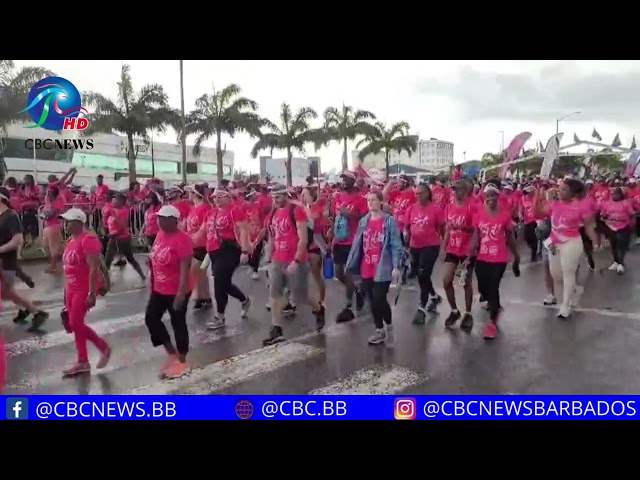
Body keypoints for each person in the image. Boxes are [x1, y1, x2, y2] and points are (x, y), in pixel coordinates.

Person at [262, 184, 326, 346]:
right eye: (273, 197)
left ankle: (319, 309)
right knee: (275, 294)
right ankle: (276, 328)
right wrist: (268, 259)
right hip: (278, 259)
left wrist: (296, 260)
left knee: (300, 296)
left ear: (285, 195)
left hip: (295, 260)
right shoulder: (272, 214)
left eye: (278, 197)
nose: (275, 200)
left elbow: (303, 238)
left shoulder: (296, 211)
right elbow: (271, 237)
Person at [345, 191, 402, 345]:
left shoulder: (389, 221)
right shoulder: (364, 221)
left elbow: (396, 245)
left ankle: (385, 326)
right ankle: (380, 328)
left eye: (373, 199)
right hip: (366, 265)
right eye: (368, 200)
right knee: (371, 299)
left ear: (381, 201)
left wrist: (396, 265)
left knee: (379, 297)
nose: (370, 202)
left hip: (382, 266)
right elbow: (358, 242)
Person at [60, 208, 111, 377]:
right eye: (65, 221)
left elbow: (93, 268)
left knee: (76, 323)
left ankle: (102, 348)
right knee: (76, 325)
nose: (65, 224)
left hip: (84, 288)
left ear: (78, 223)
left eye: (68, 221)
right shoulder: (70, 241)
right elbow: (68, 268)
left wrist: (91, 292)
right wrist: (65, 291)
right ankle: (82, 361)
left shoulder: (88, 240)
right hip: (71, 289)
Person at [535, 178, 596, 319]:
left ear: (573, 193)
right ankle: (574, 289)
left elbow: (588, 225)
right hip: (554, 242)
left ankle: (565, 305)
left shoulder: (580, 206)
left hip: (571, 242)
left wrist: (595, 242)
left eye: (564, 189)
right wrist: (538, 193)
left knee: (568, 272)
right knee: (555, 274)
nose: (560, 191)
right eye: (560, 188)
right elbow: (538, 212)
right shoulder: (555, 204)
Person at [145, 205, 193, 378]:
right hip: (159, 287)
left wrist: (181, 293)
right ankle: (171, 351)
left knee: (178, 322)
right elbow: (157, 253)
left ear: (174, 220)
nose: (160, 221)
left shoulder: (183, 239)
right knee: (151, 318)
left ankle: (182, 359)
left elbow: (185, 266)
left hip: (177, 288)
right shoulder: (160, 235)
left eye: (164, 218)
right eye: (159, 218)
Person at [471, 184, 520, 339]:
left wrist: (516, 256)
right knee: (482, 289)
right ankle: (494, 306)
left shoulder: (505, 216)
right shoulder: (479, 213)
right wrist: (470, 251)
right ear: (484, 197)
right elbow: (475, 234)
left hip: (499, 258)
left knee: (493, 289)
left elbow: (510, 238)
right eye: (488, 195)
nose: (491, 198)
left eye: (494, 195)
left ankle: (492, 322)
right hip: (482, 257)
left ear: (498, 197)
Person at [0, 187, 48, 331]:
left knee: (7, 292)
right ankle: (29, 310)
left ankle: (35, 311)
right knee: (7, 293)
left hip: (6, 262)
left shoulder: (10, 216)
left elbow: (17, 240)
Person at [204, 188, 252, 329]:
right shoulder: (212, 213)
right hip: (213, 251)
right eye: (214, 197)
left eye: (220, 197)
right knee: (223, 282)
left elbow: (243, 229)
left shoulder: (234, 210)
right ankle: (244, 299)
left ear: (228, 197)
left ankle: (220, 316)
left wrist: (244, 250)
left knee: (219, 281)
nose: (216, 200)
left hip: (230, 250)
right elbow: (203, 230)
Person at [404, 182, 444, 323]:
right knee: (422, 275)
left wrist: (444, 245)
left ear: (427, 193)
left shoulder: (435, 209)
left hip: (431, 246)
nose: (418, 196)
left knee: (423, 275)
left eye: (420, 193)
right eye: (416, 193)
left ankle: (421, 307)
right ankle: (434, 296)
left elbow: (442, 228)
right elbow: (407, 228)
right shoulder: (411, 209)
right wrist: (405, 239)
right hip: (415, 246)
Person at [330, 172, 368, 323]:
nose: (344, 181)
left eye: (346, 179)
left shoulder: (361, 199)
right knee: (338, 273)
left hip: (353, 240)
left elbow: (365, 218)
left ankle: (348, 304)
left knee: (350, 272)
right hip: (339, 240)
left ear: (353, 181)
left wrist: (350, 214)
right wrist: (331, 237)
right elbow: (334, 218)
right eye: (342, 179)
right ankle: (359, 289)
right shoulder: (338, 197)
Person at [442, 180, 476, 330]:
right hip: (453, 249)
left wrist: (472, 249)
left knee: (466, 282)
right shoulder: (449, 207)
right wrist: (443, 247)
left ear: (466, 190)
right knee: (446, 280)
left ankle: (468, 313)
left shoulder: (472, 206)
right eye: (454, 190)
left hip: (467, 250)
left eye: (458, 190)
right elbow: (448, 229)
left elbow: (476, 230)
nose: (455, 192)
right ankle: (454, 310)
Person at [104, 193, 146, 284]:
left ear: (121, 202)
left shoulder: (123, 211)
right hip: (114, 238)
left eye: (116, 199)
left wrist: (113, 233)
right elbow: (108, 223)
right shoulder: (113, 210)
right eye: (113, 199)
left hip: (122, 239)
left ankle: (142, 276)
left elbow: (122, 226)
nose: (114, 201)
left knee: (130, 258)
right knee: (108, 259)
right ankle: (104, 280)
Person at [185, 184, 213, 310]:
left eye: (190, 192)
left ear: (196, 194)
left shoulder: (206, 208)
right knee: (197, 272)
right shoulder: (192, 209)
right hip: (193, 245)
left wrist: (196, 237)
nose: (188, 194)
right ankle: (204, 297)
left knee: (198, 270)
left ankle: (203, 297)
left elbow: (206, 227)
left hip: (204, 246)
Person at [600, 186, 635, 274]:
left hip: (624, 227)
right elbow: (603, 215)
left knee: (621, 246)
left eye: (615, 194)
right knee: (614, 245)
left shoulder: (626, 203)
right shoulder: (607, 203)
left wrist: (631, 226)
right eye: (612, 194)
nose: (613, 196)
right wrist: (605, 221)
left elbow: (632, 215)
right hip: (611, 227)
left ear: (620, 194)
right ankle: (616, 261)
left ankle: (621, 264)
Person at [42, 186, 66, 274]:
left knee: (54, 249)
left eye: (50, 193)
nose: (48, 194)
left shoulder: (57, 203)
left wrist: (44, 215)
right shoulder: (48, 203)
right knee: (48, 248)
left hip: (54, 226)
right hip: (47, 227)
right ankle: (52, 266)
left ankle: (52, 267)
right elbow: (45, 213)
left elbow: (49, 215)